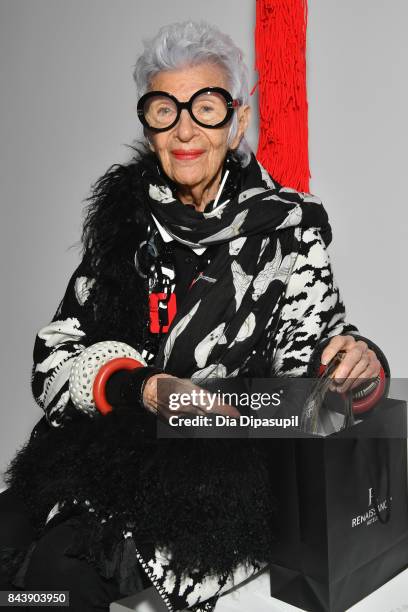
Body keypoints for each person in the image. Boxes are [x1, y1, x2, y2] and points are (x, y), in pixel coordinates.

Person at [0, 20, 388, 612]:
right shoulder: (123, 223)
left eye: (205, 107)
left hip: (214, 480)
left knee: (58, 577)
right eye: (164, 108)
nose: (184, 129)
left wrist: (359, 365)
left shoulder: (288, 228)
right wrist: (138, 387)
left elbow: (316, 364)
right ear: (147, 121)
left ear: (236, 121)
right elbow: (53, 355)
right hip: (97, 453)